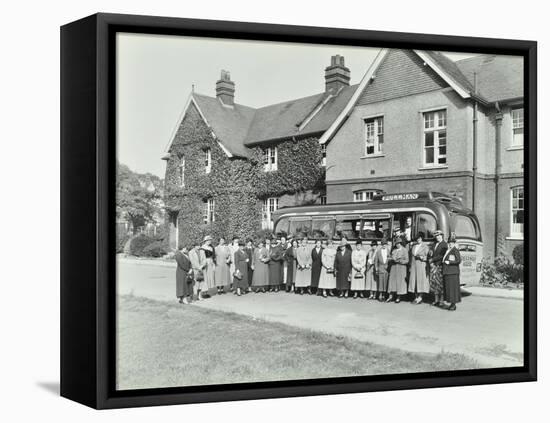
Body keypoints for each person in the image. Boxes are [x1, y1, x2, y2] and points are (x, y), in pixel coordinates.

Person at [408, 232, 430, 304]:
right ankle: (416, 296)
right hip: (414, 265)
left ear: (422, 238)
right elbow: (411, 257)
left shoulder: (425, 246)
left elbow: (428, 257)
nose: (418, 240)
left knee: (420, 281)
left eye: (420, 238)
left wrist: (422, 257)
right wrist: (410, 266)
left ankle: (420, 297)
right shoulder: (414, 246)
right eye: (417, 238)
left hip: (421, 265)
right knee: (414, 281)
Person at [442, 235, 462, 311]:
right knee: (449, 289)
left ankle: (453, 305)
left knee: (453, 289)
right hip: (448, 272)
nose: (450, 244)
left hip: (453, 273)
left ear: (454, 243)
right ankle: (451, 304)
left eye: (452, 243)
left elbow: (458, 260)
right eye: (449, 243)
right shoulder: (448, 250)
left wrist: (449, 262)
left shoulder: (455, 250)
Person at [429, 230, 448, 307]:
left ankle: (441, 301)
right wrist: (431, 261)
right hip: (433, 266)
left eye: (439, 235)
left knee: (441, 284)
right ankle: (436, 300)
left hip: (440, 266)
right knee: (434, 283)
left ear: (442, 236)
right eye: (436, 236)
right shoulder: (434, 244)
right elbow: (431, 253)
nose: (438, 237)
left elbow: (442, 255)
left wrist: (433, 260)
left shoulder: (444, 244)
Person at [387, 237, 409, 303]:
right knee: (392, 282)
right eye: (396, 243)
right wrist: (391, 259)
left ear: (401, 243)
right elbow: (390, 257)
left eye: (399, 243)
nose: (397, 245)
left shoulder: (404, 250)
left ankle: (398, 297)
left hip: (401, 268)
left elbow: (407, 260)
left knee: (400, 282)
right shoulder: (394, 251)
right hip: (393, 268)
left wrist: (400, 261)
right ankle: (390, 296)